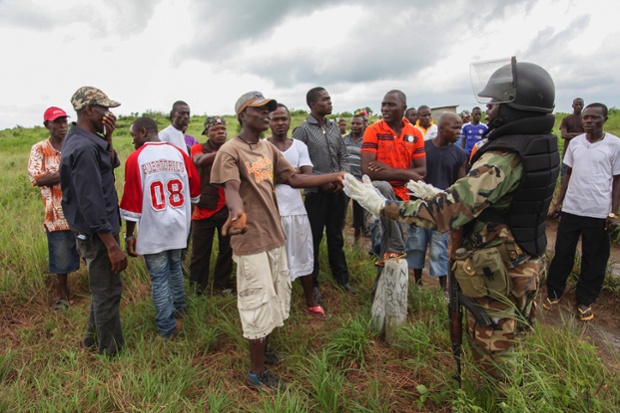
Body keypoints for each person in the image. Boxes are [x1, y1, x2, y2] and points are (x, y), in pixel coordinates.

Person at [345, 60, 560, 381]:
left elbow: (446, 214)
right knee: (516, 335)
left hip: (498, 269)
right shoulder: (540, 144)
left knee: (494, 352)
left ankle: (494, 400)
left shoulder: (504, 156)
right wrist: (437, 192)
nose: (488, 109)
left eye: (496, 102)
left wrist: (382, 206)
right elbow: (496, 202)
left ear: (516, 108)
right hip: (524, 260)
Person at [210, 91, 345, 391]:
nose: (267, 114)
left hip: (274, 236)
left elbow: (294, 179)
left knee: (276, 296)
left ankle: (264, 349)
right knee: (258, 301)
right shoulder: (231, 151)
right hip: (251, 240)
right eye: (259, 110)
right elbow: (231, 187)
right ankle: (257, 373)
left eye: (270, 109)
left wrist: (334, 175)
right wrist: (237, 211)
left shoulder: (267, 150)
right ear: (242, 115)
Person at [60, 86, 128, 356]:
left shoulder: (88, 140)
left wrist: (108, 136)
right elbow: (91, 202)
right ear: (89, 110)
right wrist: (112, 245)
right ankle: (111, 353)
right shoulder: (84, 147)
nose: (109, 114)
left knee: (103, 289)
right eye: (105, 109)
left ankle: (90, 341)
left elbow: (110, 163)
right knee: (109, 293)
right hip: (99, 235)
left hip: (96, 232)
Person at [119, 117, 200, 338]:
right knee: (175, 268)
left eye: (133, 135)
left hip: (154, 230)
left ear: (143, 132)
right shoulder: (180, 154)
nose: (133, 140)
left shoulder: (136, 158)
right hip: (178, 227)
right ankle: (179, 311)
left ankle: (167, 327)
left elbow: (132, 204)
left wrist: (128, 236)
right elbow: (195, 193)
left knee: (159, 278)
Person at [544, 103, 620, 321]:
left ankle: (585, 300)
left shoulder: (614, 145)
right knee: (562, 254)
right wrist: (559, 202)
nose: (588, 121)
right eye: (586, 117)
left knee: (594, 258)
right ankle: (554, 293)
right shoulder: (575, 143)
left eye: (594, 118)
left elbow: (617, 181)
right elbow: (568, 173)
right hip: (572, 208)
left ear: (605, 119)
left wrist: (613, 212)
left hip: (598, 212)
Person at [293, 87, 357, 302]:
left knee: (336, 237)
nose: (330, 102)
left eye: (330, 98)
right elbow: (298, 164)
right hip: (315, 195)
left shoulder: (333, 128)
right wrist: (322, 181)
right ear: (312, 104)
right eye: (325, 99)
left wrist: (341, 178)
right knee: (313, 238)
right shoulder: (302, 131)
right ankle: (314, 284)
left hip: (337, 193)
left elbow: (344, 157)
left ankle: (342, 279)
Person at [267, 104, 329, 319]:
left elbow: (307, 177)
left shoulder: (300, 145)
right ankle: (277, 303)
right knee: (274, 259)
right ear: (269, 121)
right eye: (275, 119)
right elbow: (262, 180)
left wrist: (282, 176)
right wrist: (293, 174)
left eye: (284, 118)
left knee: (304, 255)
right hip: (271, 213)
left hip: (296, 211)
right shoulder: (261, 147)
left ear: (289, 120)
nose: (280, 122)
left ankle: (310, 301)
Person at [361, 90, 426, 269]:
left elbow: (421, 172)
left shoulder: (415, 133)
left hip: (402, 197)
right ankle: (397, 244)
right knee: (383, 185)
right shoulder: (373, 130)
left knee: (389, 256)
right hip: (377, 196)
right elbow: (368, 171)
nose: (385, 108)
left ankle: (382, 294)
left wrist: (391, 170)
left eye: (391, 105)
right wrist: (407, 174)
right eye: (383, 104)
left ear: (403, 108)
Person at [406, 112, 467, 291]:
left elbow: (459, 186)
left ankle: (443, 290)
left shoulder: (460, 154)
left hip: (443, 212)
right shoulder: (422, 149)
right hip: (420, 207)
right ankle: (417, 285)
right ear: (441, 128)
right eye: (455, 128)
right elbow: (412, 178)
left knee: (439, 250)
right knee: (416, 245)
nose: (458, 132)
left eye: (460, 128)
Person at [28, 106, 81, 311]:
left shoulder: (74, 145)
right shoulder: (39, 149)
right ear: (47, 125)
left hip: (81, 213)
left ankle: (95, 291)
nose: (62, 125)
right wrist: (68, 172)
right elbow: (39, 178)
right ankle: (63, 297)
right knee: (60, 257)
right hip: (56, 215)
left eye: (64, 121)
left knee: (91, 253)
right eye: (56, 122)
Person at [189, 116, 234, 295]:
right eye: (215, 129)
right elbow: (199, 160)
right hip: (204, 209)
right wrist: (227, 152)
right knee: (200, 253)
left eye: (223, 129)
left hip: (227, 208)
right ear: (207, 132)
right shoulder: (198, 147)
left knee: (227, 251)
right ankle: (197, 290)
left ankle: (222, 286)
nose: (220, 132)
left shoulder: (231, 148)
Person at [343, 114, 368, 242]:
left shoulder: (367, 141)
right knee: (341, 211)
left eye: (358, 123)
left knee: (359, 213)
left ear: (364, 125)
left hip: (360, 182)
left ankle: (357, 242)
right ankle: (342, 241)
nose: (354, 126)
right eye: (353, 123)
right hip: (345, 182)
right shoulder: (344, 139)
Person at [558, 98, 585, 177]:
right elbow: (563, 135)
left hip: (582, 150)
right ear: (573, 106)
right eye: (577, 105)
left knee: (580, 173)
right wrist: (581, 134)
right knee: (564, 173)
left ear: (583, 106)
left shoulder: (585, 120)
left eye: (580, 105)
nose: (578, 107)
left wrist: (570, 134)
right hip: (567, 150)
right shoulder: (566, 119)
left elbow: (588, 135)